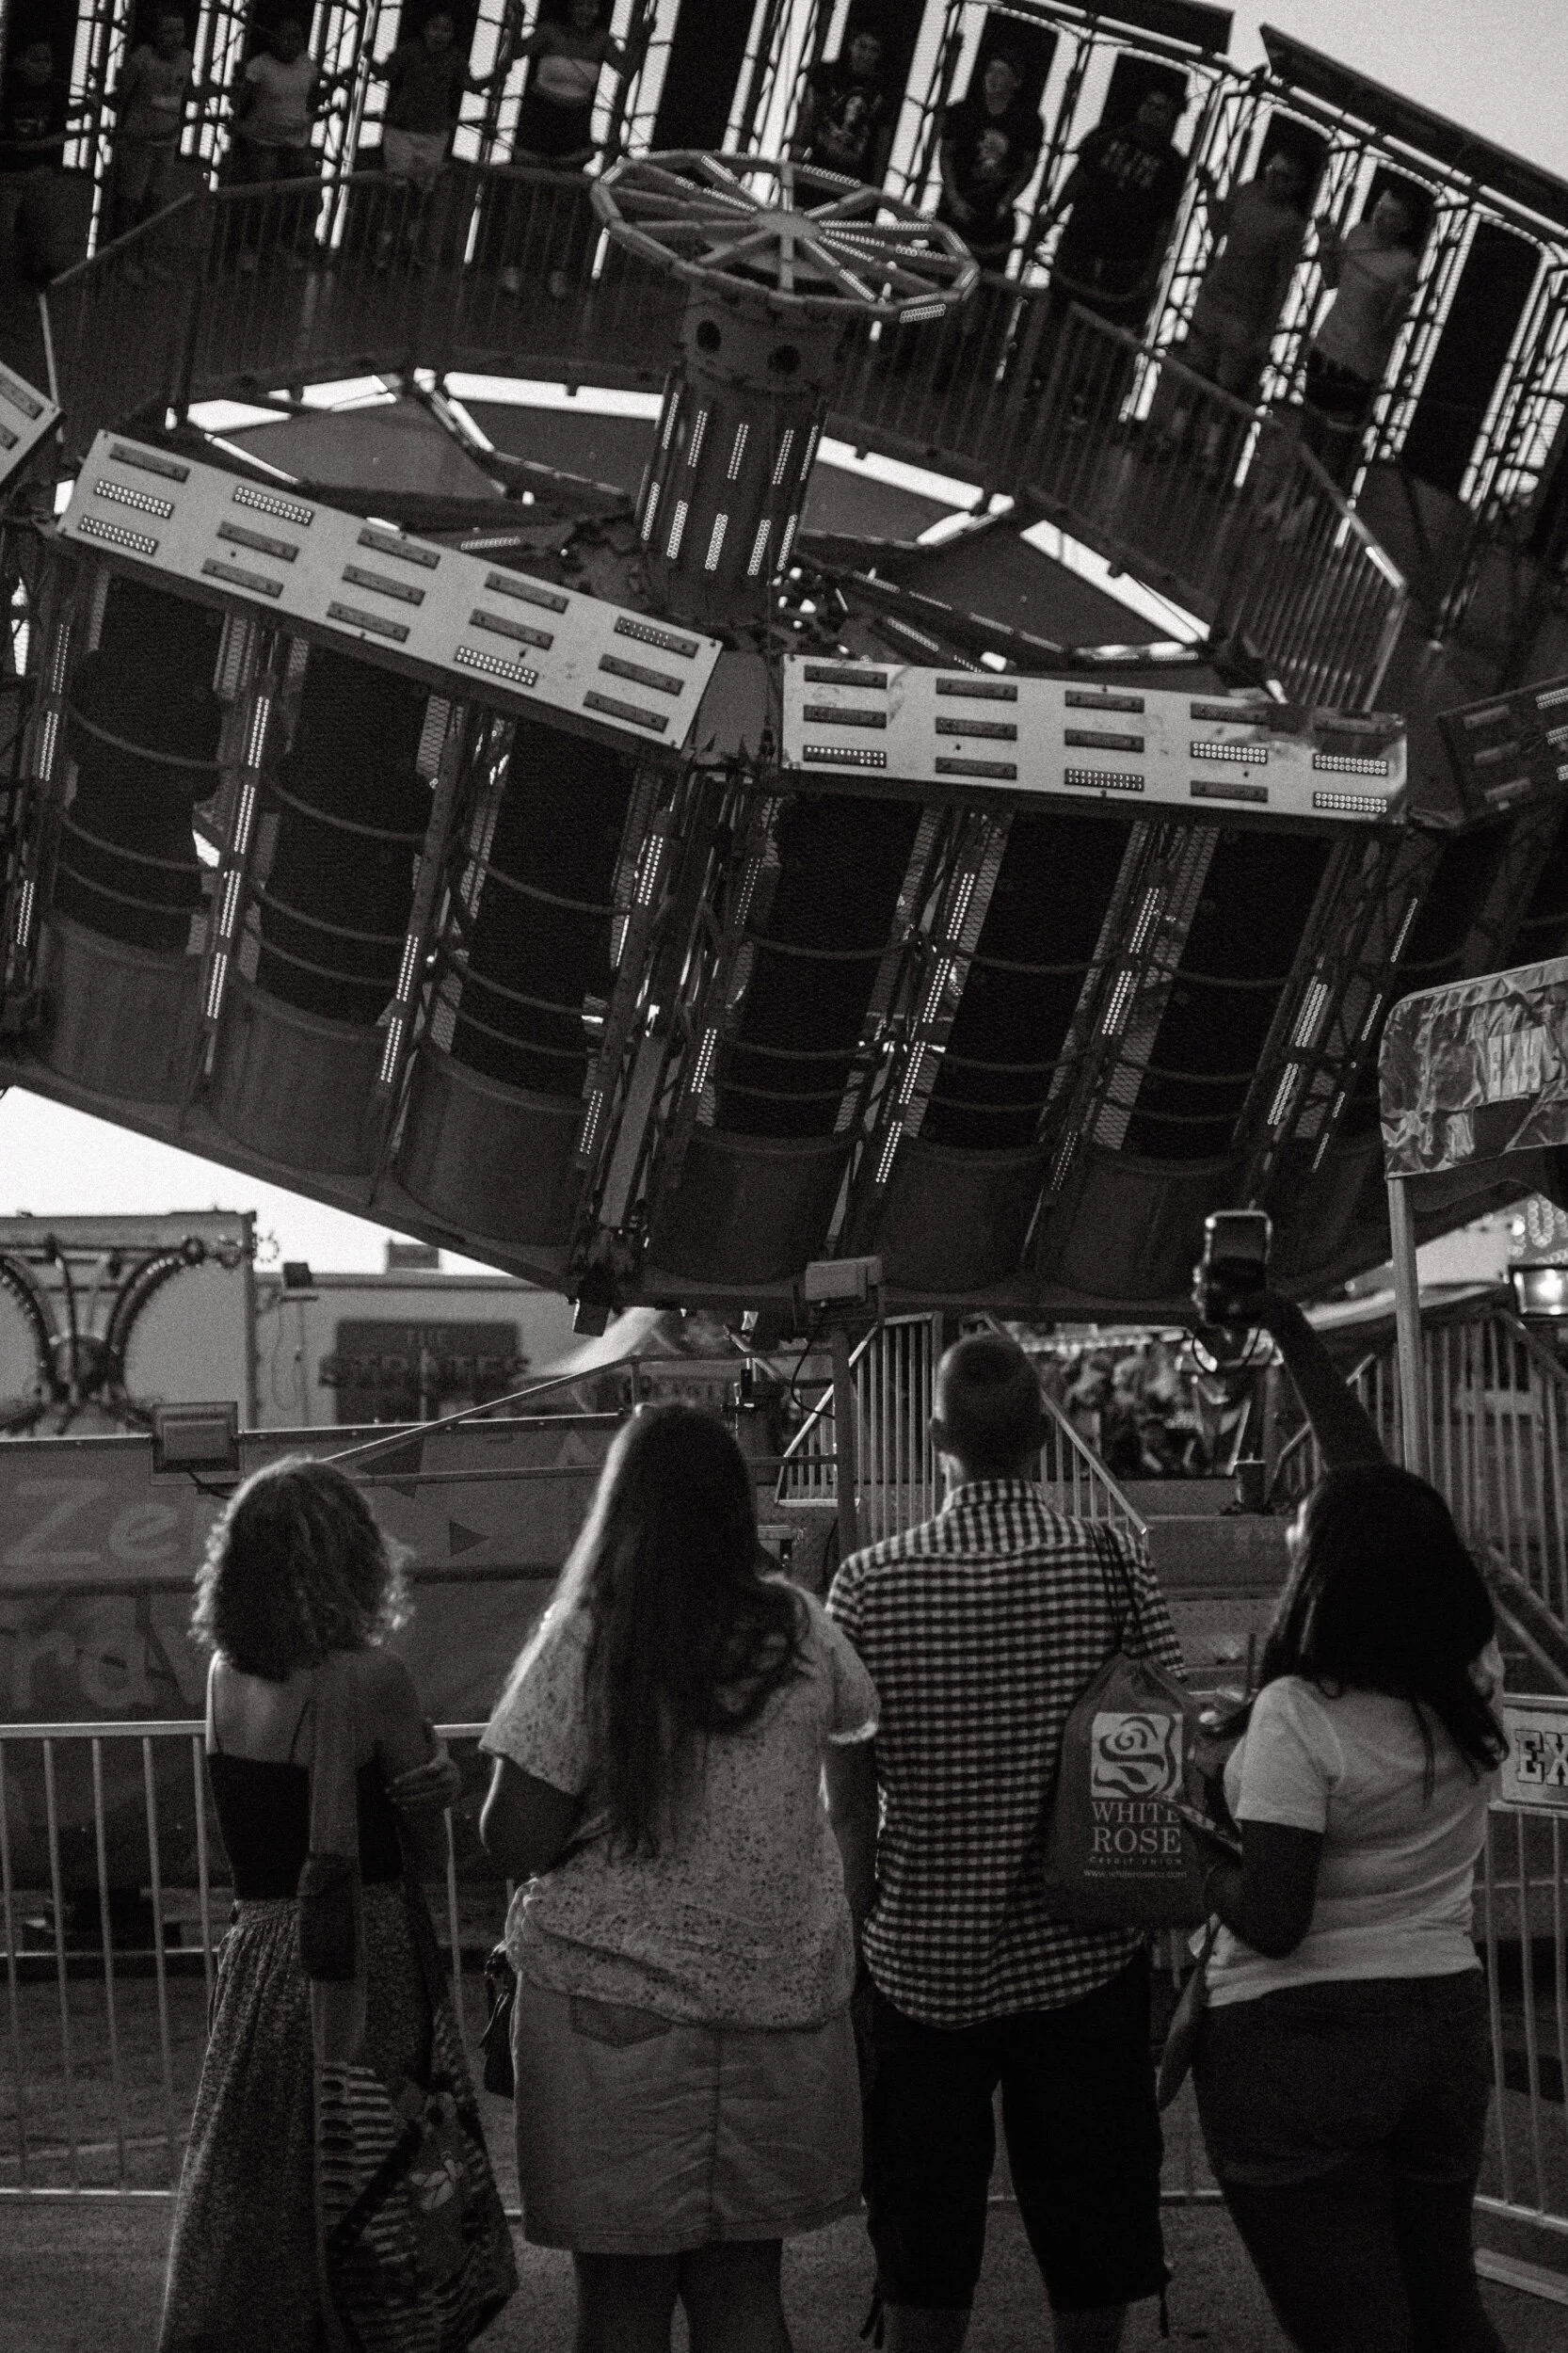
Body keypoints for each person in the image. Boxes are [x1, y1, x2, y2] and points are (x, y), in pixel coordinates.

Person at [479, 1401, 877, 2353]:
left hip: (607, 2017)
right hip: (777, 2007)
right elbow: (854, 1773)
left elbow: (513, 1835)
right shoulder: (800, 1632)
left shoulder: (588, 1636)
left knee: (622, 2303)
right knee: (746, 2291)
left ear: (621, 1506)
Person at [825, 1330, 1183, 2351]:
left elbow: (849, 1806)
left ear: (936, 1436)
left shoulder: (868, 1584)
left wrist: (849, 1956)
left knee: (922, 2239)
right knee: (1090, 2230)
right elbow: (1162, 1727)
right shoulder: (1110, 1561)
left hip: (917, 1968)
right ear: (1040, 1435)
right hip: (1084, 1951)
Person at [1186, 1463, 1510, 2353]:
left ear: (1330, 1573)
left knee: (1353, 2329)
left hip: (1301, 2043)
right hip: (1441, 2019)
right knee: (1447, 2304)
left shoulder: (1299, 1714)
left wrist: (1200, 1864)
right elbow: (1385, 1502)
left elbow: (1276, 1917)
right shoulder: (1470, 1687)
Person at [158, 1455, 468, 2353]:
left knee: (261, 2184)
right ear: (352, 1560)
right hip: (358, 1948)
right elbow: (419, 1839)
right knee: (375, 2164)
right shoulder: (371, 1678)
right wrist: (440, 1777)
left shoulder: (222, 1675)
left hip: (260, 1950)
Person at [497, 0, 648, 299]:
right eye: (581, 3)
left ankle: (557, 272)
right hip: (538, 124)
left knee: (564, 207)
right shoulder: (549, 32)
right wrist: (515, 23)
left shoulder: (602, 41)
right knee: (525, 200)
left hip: (574, 129)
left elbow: (626, 70)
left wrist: (642, 38)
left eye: (593, 6)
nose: (587, 11)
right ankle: (512, 267)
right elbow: (513, 55)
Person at [1293, 184, 1421, 489]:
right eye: (1379, 208)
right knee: (1309, 431)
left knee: (1335, 445)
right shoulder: (1357, 234)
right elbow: (1332, 279)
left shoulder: (1404, 265)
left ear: (1404, 226)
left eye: (1391, 216)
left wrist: (1400, 305)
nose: (1380, 218)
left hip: (1357, 365)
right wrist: (1326, 242)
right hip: (1326, 348)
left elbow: (1386, 330)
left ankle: (1309, 509)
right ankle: (1288, 496)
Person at [1036, 86, 1188, 342]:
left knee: (1098, 332)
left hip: (1122, 265)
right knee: (1055, 321)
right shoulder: (1107, 135)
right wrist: (1051, 217)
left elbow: (1165, 224)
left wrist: (1151, 272)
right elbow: (1078, 178)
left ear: (1171, 118)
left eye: (1160, 109)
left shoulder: (1173, 165)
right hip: (1079, 247)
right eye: (1148, 104)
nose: (1151, 112)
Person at [364, 8, 511, 267]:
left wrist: (498, 74)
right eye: (435, 28)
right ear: (425, 30)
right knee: (398, 192)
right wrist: (367, 56)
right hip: (403, 131)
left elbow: (472, 86)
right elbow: (385, 74)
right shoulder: (409, 51)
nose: (440, 34)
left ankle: (409, 248)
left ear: (453, 35)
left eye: (446, 30)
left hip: (433, 134)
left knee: (420, 194)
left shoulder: (455, 58)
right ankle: (384, 250)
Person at [1180, 148, 1309, 407]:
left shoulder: (1290, 223)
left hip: (1246, 313)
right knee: (1194, 369)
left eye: (1281, 176)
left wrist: (1267, 331)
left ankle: (1208, 444)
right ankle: (1175, 431)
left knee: (1227, 385)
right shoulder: (1248, 192)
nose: (1272, 180)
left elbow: (1283, 280)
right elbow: (1219, 226)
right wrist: (1210, 191)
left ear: (1293, 184)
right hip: (1215, 296)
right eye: (1271, 171)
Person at [935, 49, 1042, 273]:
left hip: (994, 214)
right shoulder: (962, 111)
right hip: (956, 204)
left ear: (1016, 81)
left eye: (1002, 73)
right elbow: (946, 153)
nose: (993, 77)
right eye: (990, 70)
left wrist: (1007, 200)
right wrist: (953, 198)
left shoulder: (1029, 122)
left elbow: (1028, 166)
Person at [104, 8, 204, 245]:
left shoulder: (186, 58)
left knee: (155, 200)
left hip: (168, 141)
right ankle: (120, 255)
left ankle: (143, 252)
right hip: (139, 140)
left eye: (180, 30)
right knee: (130, 200)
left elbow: (187, 93)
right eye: (168, 31)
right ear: (155, 34)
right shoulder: (141, 59)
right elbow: (123, 98)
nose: (175, 37)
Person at [0, 37, 93, 280]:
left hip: (39, 171)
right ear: (20, 62)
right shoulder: (7, 91)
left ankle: (35, 269)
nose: (43, 66)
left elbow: (64, 115)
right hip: (8, 173)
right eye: (36, 59)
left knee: (41, 224)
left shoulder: (54, 89)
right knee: (4, 228)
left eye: (47, 60)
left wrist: (88, 107)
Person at [792, 25, 896, 188]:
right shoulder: (827, 73)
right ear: (851, 46)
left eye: (874, 50)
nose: (866, 55)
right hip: (817, 165)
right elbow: (809, 115)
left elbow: (883, 139)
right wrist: (797, 154)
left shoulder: (883, 91)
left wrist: (876, 185)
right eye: (862, 46)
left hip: (854, 177)